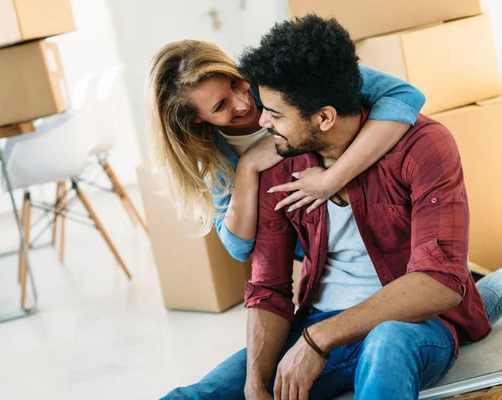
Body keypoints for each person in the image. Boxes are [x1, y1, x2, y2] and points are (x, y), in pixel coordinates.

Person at [161, 15, 495, 400]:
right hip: (318, 320)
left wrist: (318, 340)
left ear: (324, 117)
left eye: (274, 112)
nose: (260, 119)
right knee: (194, 396)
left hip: (411, 324)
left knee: (387, 342)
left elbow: (439, 282)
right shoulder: (276, 158)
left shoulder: (422, 144)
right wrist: (255, 384)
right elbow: (266, 285)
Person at [148, 39, 426, 264]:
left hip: (387, 218)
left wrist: (331, 180)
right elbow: (238, 246)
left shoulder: (276, 72)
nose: (243, 104)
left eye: (235, 82)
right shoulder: (212, 155)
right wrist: (248, 166)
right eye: (220, 106)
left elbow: (406, 96)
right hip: (330, 255)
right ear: (195, 118)